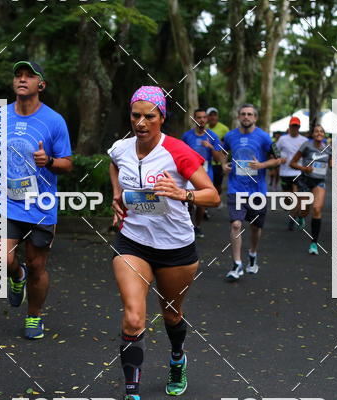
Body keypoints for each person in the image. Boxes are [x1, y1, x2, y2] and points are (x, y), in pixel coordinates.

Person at [108, 86, 220, 400]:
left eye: (149, 116)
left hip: (175, 248)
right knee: (133, 317)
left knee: (171, 315)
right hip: (133, 242)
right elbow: (113, 163)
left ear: (162, 118)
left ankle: (177, 358)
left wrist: (183, 194)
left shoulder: (177, 151)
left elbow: (212, 196)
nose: (141, 123)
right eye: (135, 115)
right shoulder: (122, 148)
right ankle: (132, 393)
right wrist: (116, 193)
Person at [6, 61, 73, 339]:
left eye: (29, 76)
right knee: (0, 258)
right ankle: (16, 275)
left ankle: (34, 316)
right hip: (7, 203)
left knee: (37, 266)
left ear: (41, 85)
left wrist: (50, 161)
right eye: (18, 75)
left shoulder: (54, 120)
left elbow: (67, 164)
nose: (22, 79)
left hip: (40, 206)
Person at [221, 103, 285, 282]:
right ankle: (237, 264)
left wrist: (262, 165)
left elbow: (278, 159)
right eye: (243, 114)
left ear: (255, 118)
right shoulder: (230, 136)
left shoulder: (264, 137)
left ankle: (253, 253)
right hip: (236, 188)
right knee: (236, 224)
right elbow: (222, 151)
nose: (246, 117)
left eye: (250, 114)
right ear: (238, 117)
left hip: (257, 191)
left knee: (255, 228)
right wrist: (224, 164)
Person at [289, 125, 332, 255]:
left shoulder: (329, 149)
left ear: (324, 134)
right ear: (312, 134)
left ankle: (314, 243)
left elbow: (331, 164)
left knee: (317, 209)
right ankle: (300, 216)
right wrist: (304, 168)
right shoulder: (306, 146)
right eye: (316, 131)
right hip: (305, 181)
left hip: (319, 182)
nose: (319, 133)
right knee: (304, 211)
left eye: (321, 131)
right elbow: (292, 163)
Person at [182, 108, 224, 237]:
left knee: (201, 203)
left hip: (206, 172)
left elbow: (217, 159)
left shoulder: (213, 136)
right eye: (199, 117)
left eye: (204, 117)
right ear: (194, 119)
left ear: (207, 119)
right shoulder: (187, 136)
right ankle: (188, 225)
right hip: (189, 171)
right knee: (188, 201)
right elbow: (180, 154)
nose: (202, 120)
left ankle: (198, 226)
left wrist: (211, 147)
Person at [276, 117, 309, 230]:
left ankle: (293, 218)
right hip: (284, 172)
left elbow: (308, 155)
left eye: (296, 126)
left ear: (299, 127)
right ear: (289, 127)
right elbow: (275, 151)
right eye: (293, 126)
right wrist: (279, 158)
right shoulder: (282, 139)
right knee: (287, 199)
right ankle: (294, 213)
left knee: (295, 196)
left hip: (297, 171)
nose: (294, 128)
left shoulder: (304, 140)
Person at [206, 107, 230, 204]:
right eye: (210, 115)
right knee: (206, 184)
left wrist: (225, 162)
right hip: (206, 161)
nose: (213, 117)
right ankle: (206, 203)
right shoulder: (204, 127)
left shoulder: (224, 129)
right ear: (207, 117)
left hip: (218, 161)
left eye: (214, 115)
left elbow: (227, 147)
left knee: (217, 184)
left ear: (217, 116)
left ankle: (218, 199)